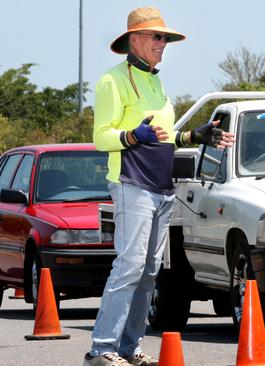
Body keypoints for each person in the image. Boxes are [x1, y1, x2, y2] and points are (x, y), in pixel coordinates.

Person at [85, 7, 234, 366]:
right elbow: (100, 138)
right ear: (134, 40)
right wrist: (133, 135)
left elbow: (165, 137)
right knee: (130, 265)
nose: (162, 43)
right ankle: (101, 349)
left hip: (161, 187)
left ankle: (127, 347)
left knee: (150, 270)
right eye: (156, 37)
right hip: (130, 183)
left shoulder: (157, 81)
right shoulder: (112, 81)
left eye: (164, 37)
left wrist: (194, 135)